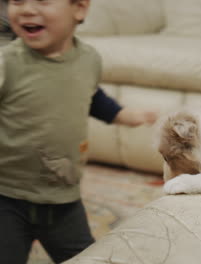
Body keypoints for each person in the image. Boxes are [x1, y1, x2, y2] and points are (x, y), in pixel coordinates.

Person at [0, 0, 157, 263]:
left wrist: (124, 115)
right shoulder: (7, 63)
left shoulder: (88, 60)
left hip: (64, 197)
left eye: (41, 0)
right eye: (17, 1)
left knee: (87, 257)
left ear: (79, 9)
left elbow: (91, 96)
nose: (26, 9)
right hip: (7, 196)